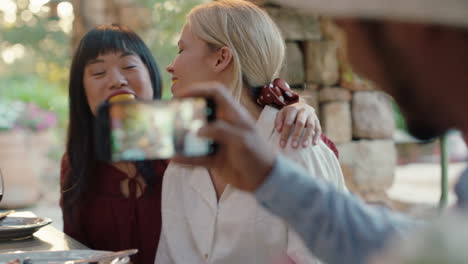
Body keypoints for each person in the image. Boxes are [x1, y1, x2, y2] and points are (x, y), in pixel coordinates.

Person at [171, 0, 468, 263]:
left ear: (414, 27)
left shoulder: (299, 146)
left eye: (347, 29)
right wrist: (270, 177)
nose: (353, 60)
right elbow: (407, 246)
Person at [61, 24, 327, 264]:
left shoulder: (182, 134)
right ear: (80, 90)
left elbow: (308, 159)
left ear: (151, 76)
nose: (117, 80)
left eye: (129, 67)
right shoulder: (78, 160)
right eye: (98, 72)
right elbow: (76, 248)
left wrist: (295, 108)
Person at [155, 1, 347, 263]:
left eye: (181, 49)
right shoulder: (183, 155)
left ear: (221, 58)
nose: (171, 65)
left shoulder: (299, 148)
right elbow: (169, 255)